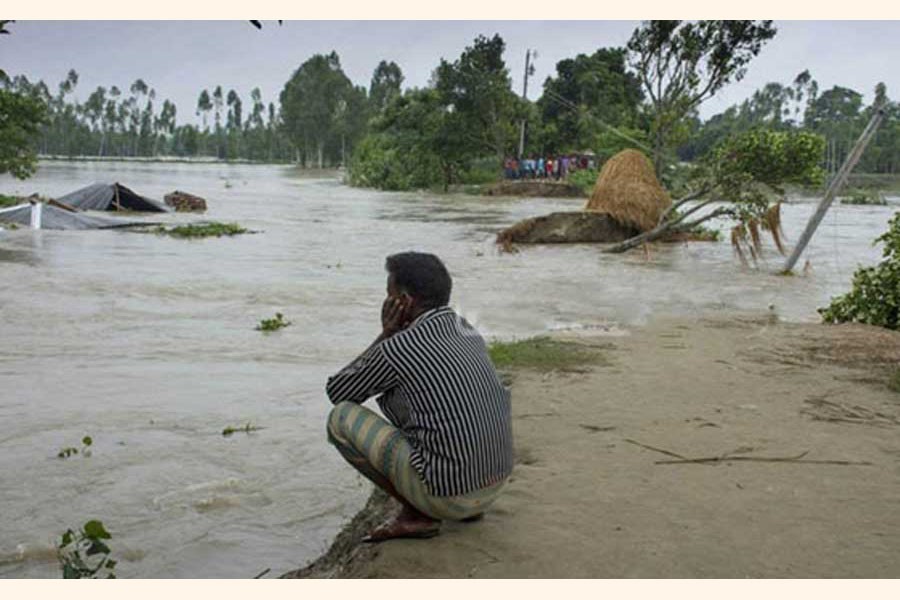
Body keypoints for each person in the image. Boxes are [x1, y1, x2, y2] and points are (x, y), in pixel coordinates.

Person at [325, 252, 514, 542]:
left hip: (449, 499)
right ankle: (461, 504)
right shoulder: (466, 330)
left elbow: (338, 392)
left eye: (389, 296)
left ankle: (418, 515)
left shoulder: (399, 347)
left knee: (340, 420)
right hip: (493, 487)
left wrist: (386, 333)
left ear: (404, 301)